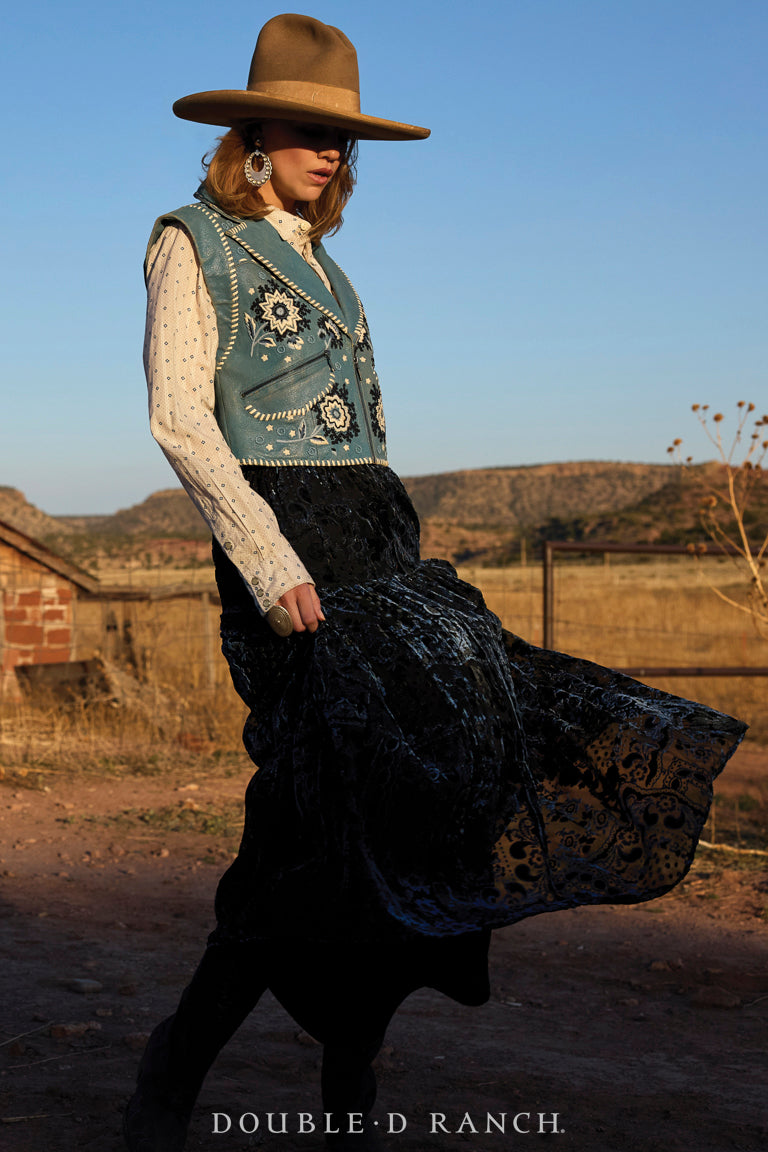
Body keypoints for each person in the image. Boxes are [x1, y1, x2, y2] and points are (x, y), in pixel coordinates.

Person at [126, 14, 746, 1152]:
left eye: (345, 140)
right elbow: (179, 420)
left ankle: (342, 1071)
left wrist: (386, 537)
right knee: (315, 810)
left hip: (375, 533)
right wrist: (270, 565)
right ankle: (185, 1064)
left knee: (412, 791)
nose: (333, 155)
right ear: (252, 131)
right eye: (314, 132)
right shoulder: (192, 240)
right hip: (289, 550)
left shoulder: (329, 262)